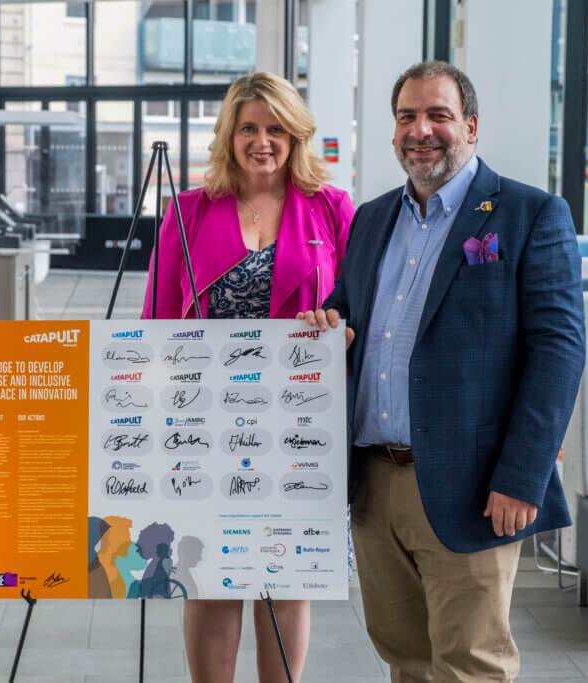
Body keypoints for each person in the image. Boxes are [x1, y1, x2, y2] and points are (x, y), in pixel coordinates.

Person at [302, 61, 585, 682]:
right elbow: (350, 313)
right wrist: (329, 326)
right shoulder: (372, 219)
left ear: (471, 126)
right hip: (375, 482)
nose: (420, 130)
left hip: (475, 486)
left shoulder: (529, 214)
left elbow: (558, 353)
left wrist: (522, 475)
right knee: (405, 660)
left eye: (438, 115)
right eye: (407, 117)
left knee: (470, 666)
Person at [143, 71, 354, 683]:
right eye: (250, 128)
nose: (263, 141)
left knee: (286, 582)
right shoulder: (187, 211)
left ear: (295, 135)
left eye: (276, 129)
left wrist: (340, 329)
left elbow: (359, 310)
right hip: (202, 422)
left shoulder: (333, 208)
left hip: (300, 426)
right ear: (229, 135)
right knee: (210, 580)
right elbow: (155, 323)